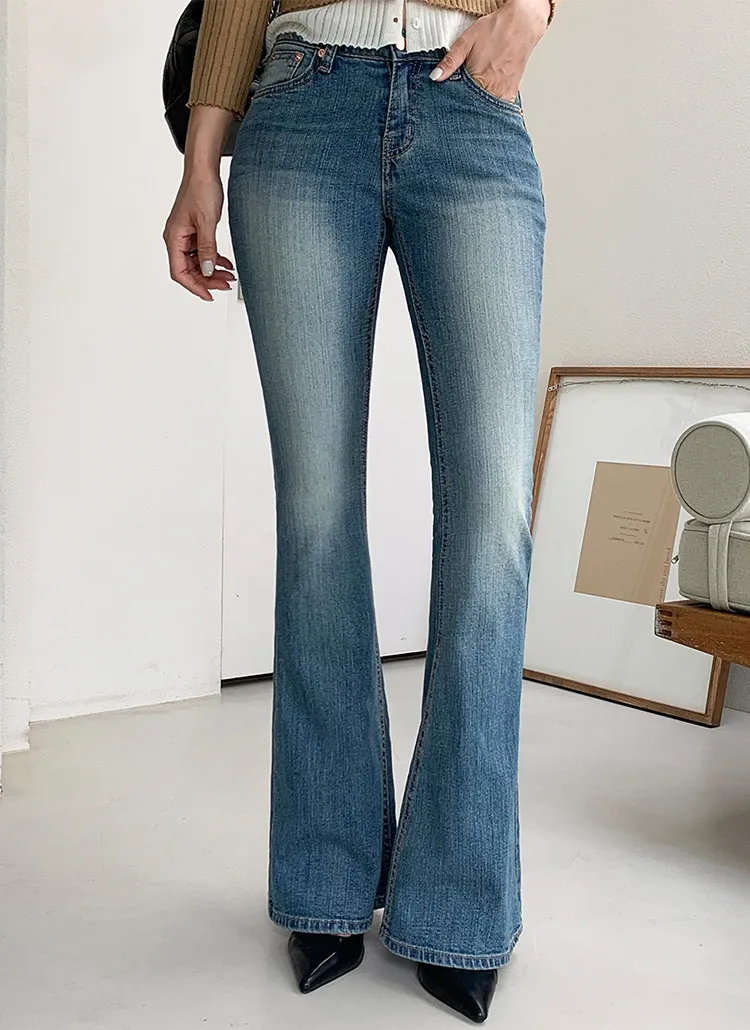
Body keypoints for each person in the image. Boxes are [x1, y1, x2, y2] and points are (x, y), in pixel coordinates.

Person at [164, 0, 556, 1020]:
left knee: (492, 518)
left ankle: (461, 902)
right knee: (318, 514)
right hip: (300, 109)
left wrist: (533, 10)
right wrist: (201, 161)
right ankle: (325, 883)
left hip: (471, 107)